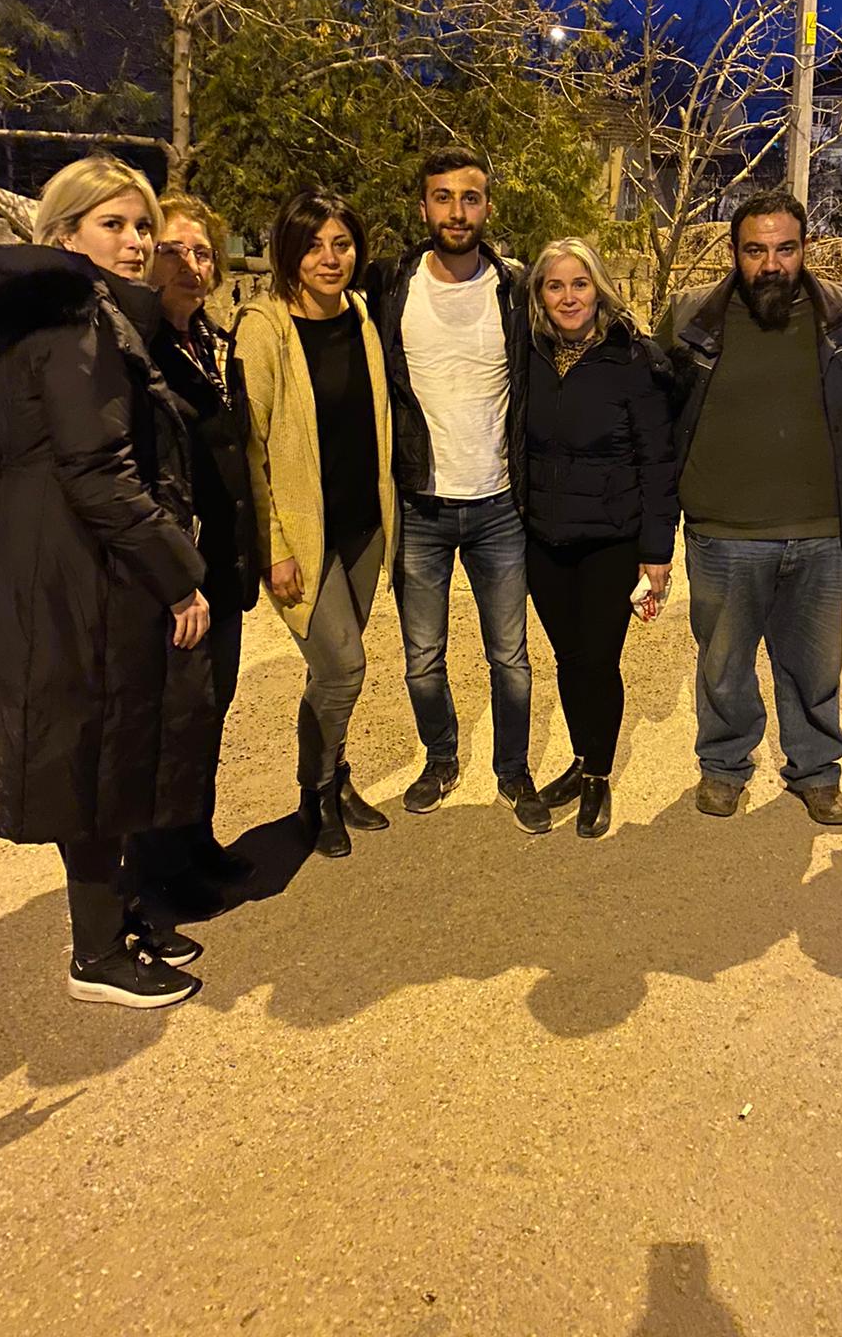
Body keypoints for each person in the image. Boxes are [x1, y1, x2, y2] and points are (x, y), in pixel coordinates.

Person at [0, 154, 214, 1008]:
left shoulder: (43, 313)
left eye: (142, 226)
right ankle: (96, 954)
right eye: (114, 225)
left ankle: (113, 917)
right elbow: (98, 469)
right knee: (93, 754)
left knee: (88, 746)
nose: (137, 242)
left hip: (35, 558)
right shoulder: (75, 325)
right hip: (71, 566)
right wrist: (179, 577)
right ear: (65, 235)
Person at [655, 186, 842, 825]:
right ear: (734, 252)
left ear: (805, 248)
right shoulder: (692, 316)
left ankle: (816, 771)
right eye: (756, 250)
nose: (772, 264)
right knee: (723, 665)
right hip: (722, 531)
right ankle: (724, 766)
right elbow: (661, 405)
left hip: (821, 528)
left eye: (785, 249)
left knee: (814, 665)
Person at [366, 147, 536, 822]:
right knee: (421, 659)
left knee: (510, 657)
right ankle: (440, 758)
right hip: (420, 505)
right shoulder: (391, 287)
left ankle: (513, 769)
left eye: (470, 198)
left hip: (500, 504)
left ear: (487, 207)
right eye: (443, 197)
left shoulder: (515, 288)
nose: (457, 211)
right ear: (423, 208)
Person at [233, 190, 397, 857]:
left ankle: (336, 773)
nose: (330, 258)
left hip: (363, 527)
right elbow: (249, 447)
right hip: (302, 536)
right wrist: (272, 547)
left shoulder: (360, 315)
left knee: (330, 670)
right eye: (313, 246)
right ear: (288, 253)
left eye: (342, 244)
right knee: (344, 667)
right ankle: (316, 793)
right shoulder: (263, 328)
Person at [125, 192, 260, 915]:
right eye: (173, 250)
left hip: (221, 564)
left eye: (203, 252)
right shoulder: (136, 351)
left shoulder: (212, 343)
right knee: (168, 725)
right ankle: (157, 876)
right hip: (171, 574)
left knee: (209, 712)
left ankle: (196, 841)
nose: (190, 264)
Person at [523, 240, 678, 838]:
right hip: (544, 539)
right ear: (540, 296)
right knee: (567, 659)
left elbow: (658, 463)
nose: (568, 297)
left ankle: (598, 775)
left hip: (611, 541)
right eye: (555, 285)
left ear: (599, 289)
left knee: (598, 659)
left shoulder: (632, 360)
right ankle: (581, 756)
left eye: (579, 284)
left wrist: (656, 552)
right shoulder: (530, 355)